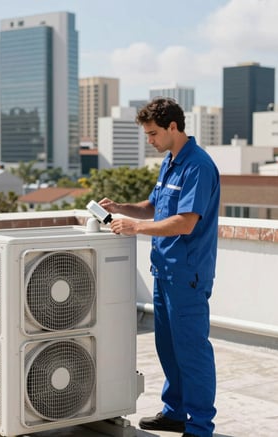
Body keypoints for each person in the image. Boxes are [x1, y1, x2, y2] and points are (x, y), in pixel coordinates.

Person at [99, 97, 220, 437]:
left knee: (192, 351)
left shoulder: (198, 166)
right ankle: (175, 412)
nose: (149, 140)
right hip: (164, 271)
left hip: (187, 274)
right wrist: (123, 208)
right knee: (168, 348)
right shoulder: (170, 161)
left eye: (153, 134)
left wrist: (134, 228)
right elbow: (154, 207)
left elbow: (184, 223)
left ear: (173, 127)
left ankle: (199, 426)